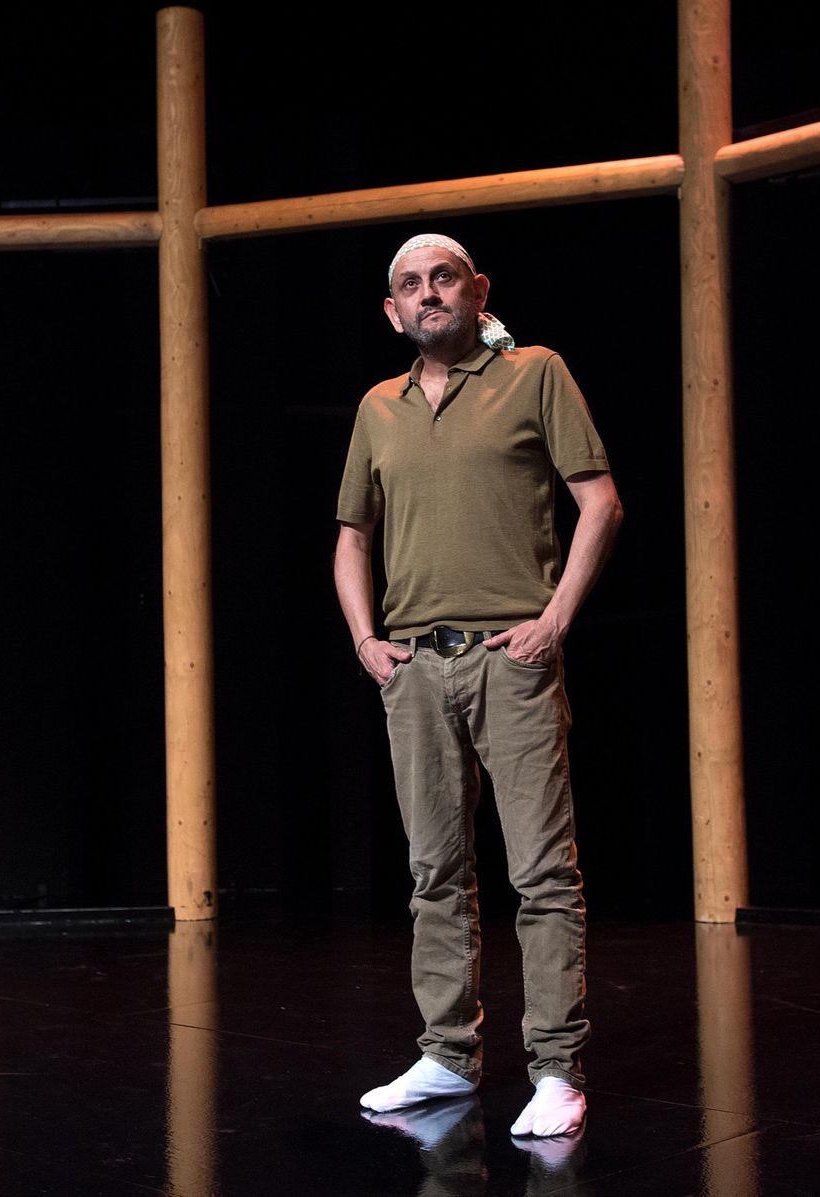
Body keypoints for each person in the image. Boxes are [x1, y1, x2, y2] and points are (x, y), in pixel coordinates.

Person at [333, 233, 622, 1138]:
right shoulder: (378, 407)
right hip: (416, 666)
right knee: (434, 873)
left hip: (511, 659)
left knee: (541, 872)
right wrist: (366, 641)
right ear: (393, 311)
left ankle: (556, 1069)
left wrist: (555, 620)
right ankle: (447, 1055)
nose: (428, 294)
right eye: (410, 286)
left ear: (477, 288)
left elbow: (601, 501)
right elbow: (351, 535)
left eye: (443, 278)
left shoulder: (535, 373)